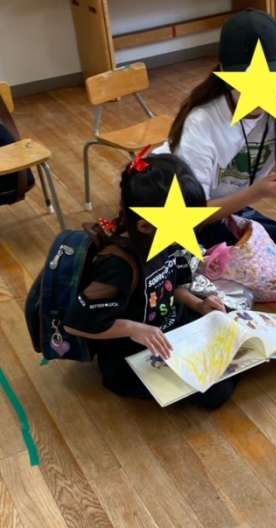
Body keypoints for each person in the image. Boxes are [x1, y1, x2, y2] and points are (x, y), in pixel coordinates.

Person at [63, 154, 237, 409]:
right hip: (131, 353)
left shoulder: (168, 239)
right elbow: (75, 324)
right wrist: (134, 329)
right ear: (145, 227)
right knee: (216, 391)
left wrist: (198, 305)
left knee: (232, 324)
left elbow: (171, 285)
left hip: (171, 329)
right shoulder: (118, 265)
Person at [155, 9, 276, 262]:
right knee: (201, 260)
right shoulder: (201, 120)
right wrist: (255, 193)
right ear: (223, 72)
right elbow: (189, 214)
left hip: (227, 206)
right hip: (177, 208)